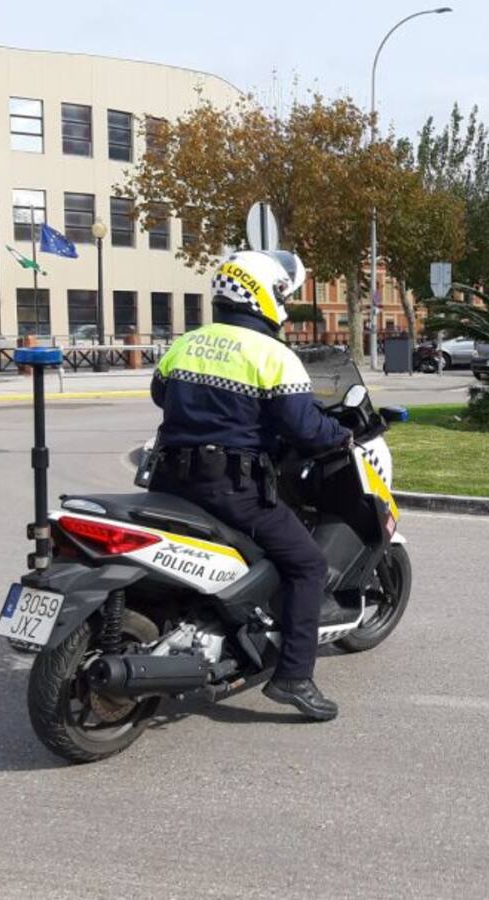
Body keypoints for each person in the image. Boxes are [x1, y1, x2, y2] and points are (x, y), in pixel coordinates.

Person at [148, 249, 350, 721]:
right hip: (230, 489)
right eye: (282, 293)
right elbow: (304, 427)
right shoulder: (272, 354)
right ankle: (294, 677)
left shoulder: (187, 343)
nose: (285, 302)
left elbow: (160, 394)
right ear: (263, 295)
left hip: (169, 480)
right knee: (307, 564)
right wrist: (341, 434)